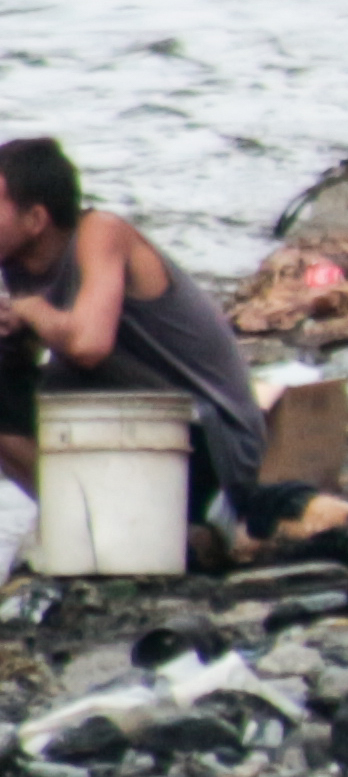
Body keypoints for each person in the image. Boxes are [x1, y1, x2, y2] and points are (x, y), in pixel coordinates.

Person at [0, 136, 276, 530]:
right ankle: (78, 520)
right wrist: (13, 333)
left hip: (208, 441)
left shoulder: (102, 234)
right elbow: (24, 371)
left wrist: (31, 310)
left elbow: (89, 345)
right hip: (136, 421)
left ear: (36, 219)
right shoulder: (17, 264)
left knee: (65, 376)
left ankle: (118, 524)